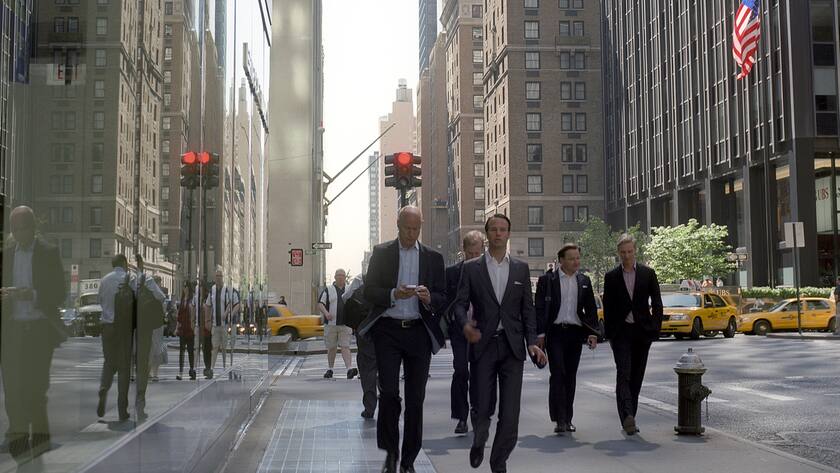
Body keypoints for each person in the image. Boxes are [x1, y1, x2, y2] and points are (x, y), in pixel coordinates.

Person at [453, 214, 546, 473]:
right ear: (486, 234)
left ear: (508, 234)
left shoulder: (520, 268)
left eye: (502, 229)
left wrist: (532, 341)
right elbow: (459, 304)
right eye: (493, 229)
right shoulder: (472, 269)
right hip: (483, 345)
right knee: (482, 407)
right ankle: (479, 438)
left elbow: (528, 309)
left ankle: (499, 461)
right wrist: (465, 325)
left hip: (512, 347)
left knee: (510, 414)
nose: (498, 233)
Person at [359, 206, 446, 473]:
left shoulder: (433, 258)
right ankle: (391, 454)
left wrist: (429, 297)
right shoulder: (382, 253)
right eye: (407, 228)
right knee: (388, 394)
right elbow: (369, 291)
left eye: (416, 228)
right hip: (388, 331)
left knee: (416, 399)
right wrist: (393, 294)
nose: (411, 233)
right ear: (398, 225)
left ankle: (408, 460)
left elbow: (444, 297)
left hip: (419, 332)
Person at [1, 206, 65, 459]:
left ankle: (40, 440)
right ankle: (18, 440)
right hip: (13, 330)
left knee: (36, 389)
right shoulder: (5, 255)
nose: (18, 234)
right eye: (14, 229)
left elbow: (60, 292)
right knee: (14, 388)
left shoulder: (48, 253)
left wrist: (34, 295)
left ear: (32, 228)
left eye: (22, 228)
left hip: (39, 330)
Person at [535, 243, 600, 435]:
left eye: (578, 258)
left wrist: (592, 333)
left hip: (574, 333)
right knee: (558, 374)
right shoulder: (548, 280)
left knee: (570, 376)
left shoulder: (584, 281)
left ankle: (567, 418)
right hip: (555, 332)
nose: (576, 262)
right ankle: (560, 419)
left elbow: (590, 311)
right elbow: (539, 308)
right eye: (571, 258)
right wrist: (540, 334)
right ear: (561, 260)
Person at [602, 234, 663, 435]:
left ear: (635, 251)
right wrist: (610, 333)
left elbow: (657, 303)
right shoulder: (611, 277)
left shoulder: (648, 273)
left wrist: (655, 328)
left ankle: (631, 416)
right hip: (620, 333)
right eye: (623, 252)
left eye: (630, 252)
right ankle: (627, 415)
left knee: (636, 376)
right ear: (618, 253)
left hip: (642, 332)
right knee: (623, 373)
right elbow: (608, 307)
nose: (626, 256)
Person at [444, 230, 484, 435]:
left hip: (481, 331)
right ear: (463, 251)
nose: (474, 258)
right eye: (470, 254)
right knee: (461, 371)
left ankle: (477, 412)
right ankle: (461, 417)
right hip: (459, 331)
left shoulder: (488, 271)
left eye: (478, 253)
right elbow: (444, 301)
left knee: (478, 374)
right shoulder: (451, 272)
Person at [133, 254, 166, 419]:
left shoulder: (127, 281)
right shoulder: (147, 280)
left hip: (129, 327)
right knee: (144, 362)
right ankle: (140, 399)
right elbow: (161, 296)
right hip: (144, 327)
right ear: (142, 265)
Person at [342, 275, 376, 418]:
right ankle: (391, 399)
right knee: (388, 367)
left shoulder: (360, 279)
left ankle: (369, 406)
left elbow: (345, 297)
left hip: (365, 329)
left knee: (367, 369)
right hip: (387, 329)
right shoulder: (392, 276)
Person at [318, 269, 358, 379]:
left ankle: (349, 369)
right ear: (335, 277)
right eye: (339, 275)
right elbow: (320, 304)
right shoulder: (328, 289)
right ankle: (330, 369)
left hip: (346, 324)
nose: (341, 277)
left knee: (345, 346)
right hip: (331, 324)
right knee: (332, 347)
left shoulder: (350, 289)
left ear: (345, 277)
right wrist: (326, 313)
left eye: (343, 276)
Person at [203, 267, 240, 378]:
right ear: (214, 278)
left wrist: (229, 315)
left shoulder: (230, 290)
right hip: (215, 324)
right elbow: (208, 306)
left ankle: (227, 367)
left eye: (220, 276)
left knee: (225, 347)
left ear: (223, 278)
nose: (218, 278)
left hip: (226, 325)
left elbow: (237, 305)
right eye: (217, 276)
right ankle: (212, 369)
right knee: (214, 347)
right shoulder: (212, 290)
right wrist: (207, 320)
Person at [175, 281, 197, 380]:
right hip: (183, 330)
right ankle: (180, 372)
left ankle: (192, 370)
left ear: (189, 289)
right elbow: (179, 317)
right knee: (181, 352)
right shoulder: (182, 300)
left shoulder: (192, 300)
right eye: (184, 288)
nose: (185, 290)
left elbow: (195, 314)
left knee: (190, 351)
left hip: (190, 330)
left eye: (187, 288)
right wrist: (176, 328)